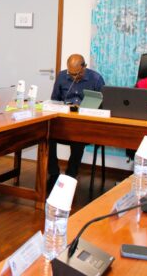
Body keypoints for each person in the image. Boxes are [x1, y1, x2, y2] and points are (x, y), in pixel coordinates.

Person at [48, 54, 105, 191]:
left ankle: (71, 175)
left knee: (78, 138)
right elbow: (54, 100)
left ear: (84, 67)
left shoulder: (96, 79)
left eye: (76, 74)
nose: (73, 77)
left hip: (85, 123)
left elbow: (104, 105)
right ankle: (54, 173)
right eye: (71, 74)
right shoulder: (62, 76)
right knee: (48, 135)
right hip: (65, 121)